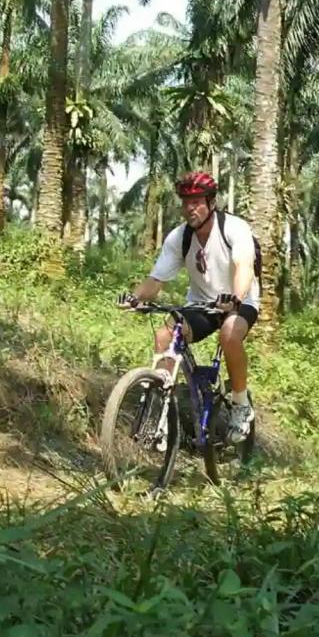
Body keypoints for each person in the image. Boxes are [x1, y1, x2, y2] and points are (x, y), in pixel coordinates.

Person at [119, 171, 259, 444]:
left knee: (229, 333)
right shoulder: (179, 237)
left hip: (240, 301)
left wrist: (235, 298)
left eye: (196, 202)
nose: (189, 208)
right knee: (164, 335)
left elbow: (244, 267)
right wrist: (134, 298)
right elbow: (155, 280)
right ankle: (160, 414)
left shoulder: (234, 228)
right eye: (185, 202)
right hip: (202, 304)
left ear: (211, 202)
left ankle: (241, 404)